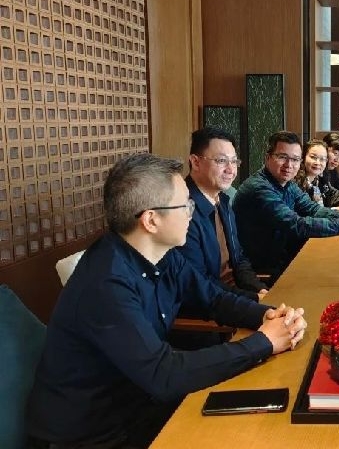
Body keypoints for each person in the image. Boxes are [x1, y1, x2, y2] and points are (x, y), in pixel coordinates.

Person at [26, 153, 308, 448]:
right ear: (151, 220)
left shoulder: (162, 254)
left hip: (140, 408)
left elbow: (213, 298)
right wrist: (264, 342)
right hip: (92, 435)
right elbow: (164, 374)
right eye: (185, 205)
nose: (192, 213)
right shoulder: (105, 284)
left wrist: (270, 317)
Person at [233, 131, 339, 280]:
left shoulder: (287, 184)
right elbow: (296, 225)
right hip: (265, 267)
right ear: (268, 157)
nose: (289, 165)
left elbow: (313, 209)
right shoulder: (260, 188)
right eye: (282, 157)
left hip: (286, 256)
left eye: (295, 159)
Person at [178, 127, 269, 296]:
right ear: (195, 162)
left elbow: (238, 259)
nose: (231, 170)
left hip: (235, 295)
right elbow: (199, 284)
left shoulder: (223, 201)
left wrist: (259, 289)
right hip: (212, 303)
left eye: (234, 161)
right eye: (221, 161)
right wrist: (254, 299)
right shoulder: (181, 210)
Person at [294, 139, 339, 211]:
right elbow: (307, 212)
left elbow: (338, 196)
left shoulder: (320, 179)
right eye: (313, 157)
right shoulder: (296, 183)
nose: (318, 163)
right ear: (303, 158)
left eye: (322, 159)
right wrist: (337, 209)